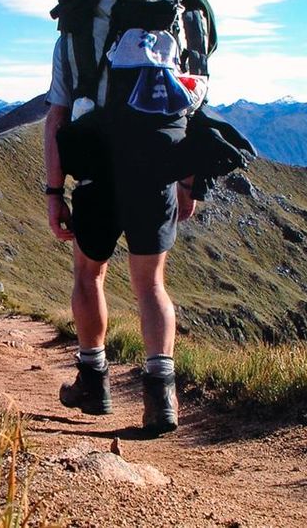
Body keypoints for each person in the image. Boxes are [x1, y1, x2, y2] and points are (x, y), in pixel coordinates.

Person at [43, 35, 197, 436]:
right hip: (156, 170)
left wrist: (54, 192)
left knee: (89, 274)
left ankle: (93, 382)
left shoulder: (78, 27)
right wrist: (187, 182)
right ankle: (161, 397)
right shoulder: (173, 26)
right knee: (151, 284)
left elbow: (57, 118)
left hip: (97, 173)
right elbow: (190, 102)